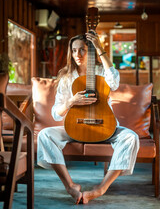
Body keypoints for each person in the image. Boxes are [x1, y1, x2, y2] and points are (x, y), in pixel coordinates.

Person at [37, 30, 140, 204]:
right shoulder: (66, 77)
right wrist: (71, 101)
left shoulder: (101, 71)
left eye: (83, 50)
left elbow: (114, 82)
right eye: (74, 50)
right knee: (44, 135)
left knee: (131, 137)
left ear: (90, 50)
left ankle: (101, 188)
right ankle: (70, 186)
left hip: (104, 126)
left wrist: (100, 47)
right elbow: (56, 113)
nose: (78, 54)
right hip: (75, 126)